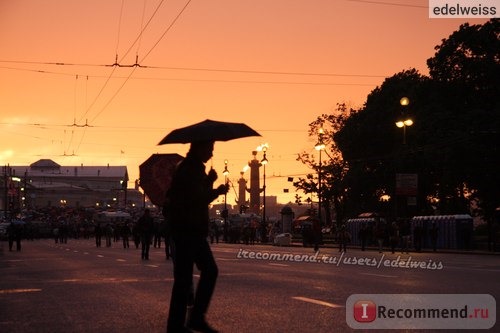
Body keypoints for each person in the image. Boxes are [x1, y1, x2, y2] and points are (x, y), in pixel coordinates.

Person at [165, 140, 228, 333]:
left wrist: (209, 181)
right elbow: (197, 199)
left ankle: (178, 325)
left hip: (186, 229)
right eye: (209, 149)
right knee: (208, 271)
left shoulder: (189, 168)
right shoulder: (190, 170)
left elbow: (195, 194)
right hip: (189, 229)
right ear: (199, 148)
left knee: (184, 279)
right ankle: (195, 318)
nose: (211, 154)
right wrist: (217, 190)